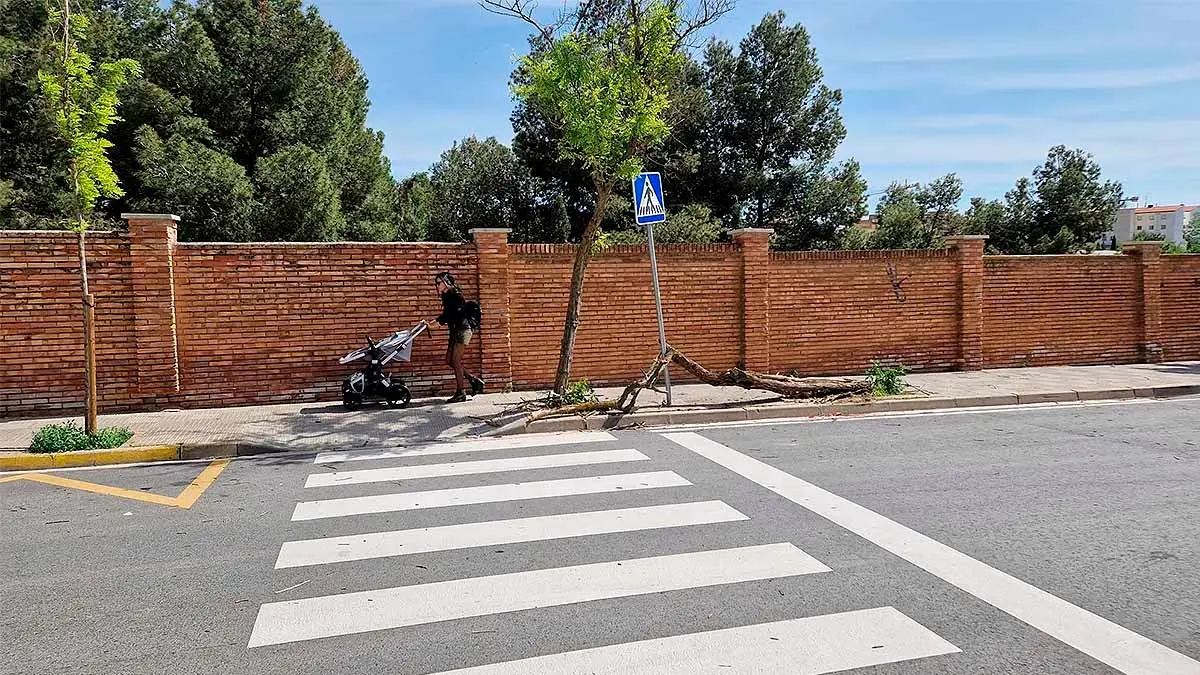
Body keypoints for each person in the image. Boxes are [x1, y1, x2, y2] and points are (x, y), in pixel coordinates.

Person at [432, 272, 484, 403]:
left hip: (463, 330)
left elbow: (450, 315)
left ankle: (461, 392)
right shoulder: (446, 296)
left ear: (446, 282)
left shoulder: (455, 295)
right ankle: (474, 380)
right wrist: (432, 323)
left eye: (439, 282)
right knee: (449, 360)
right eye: (436, 283)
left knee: (455, 360)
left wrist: (434, 324)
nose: (437, 285)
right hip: (455, 331)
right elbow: (446, 315)